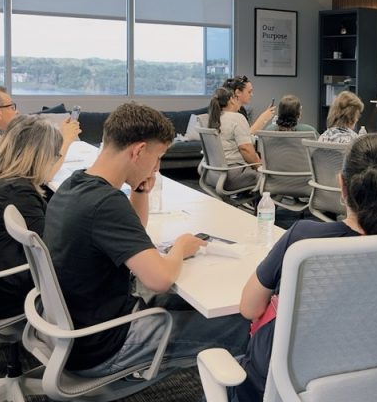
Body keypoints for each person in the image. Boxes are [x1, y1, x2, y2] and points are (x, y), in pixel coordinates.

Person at [44, 103, 248, 376]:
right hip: (105, 344)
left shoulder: (75, 184)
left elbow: (131, 234)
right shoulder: (105, 203)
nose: (157, 167)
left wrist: (140, 192)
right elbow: (159, 280)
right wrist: (180, 247)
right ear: (138, 151)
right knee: (245, 327)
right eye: (158, 157)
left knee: (193, 306)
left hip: (75, 331)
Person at [232, 133, 377, 402]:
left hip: (288, 387)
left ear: (341, 184)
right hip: (375, 387)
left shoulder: (305, 239)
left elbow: (249, 308)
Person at [0, 116, 63, 318]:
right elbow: (50, 253)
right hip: (9, 295)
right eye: (55, 155)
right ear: (41, 156)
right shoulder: (17, 193)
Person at [208, 86, 262, 191]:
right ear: (232, 99)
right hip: (231, 176)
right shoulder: (237, 118)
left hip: (211, 174)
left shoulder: (214, 118)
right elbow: (245, 149)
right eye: (237, 98)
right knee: (271, 178)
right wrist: (259, 167)